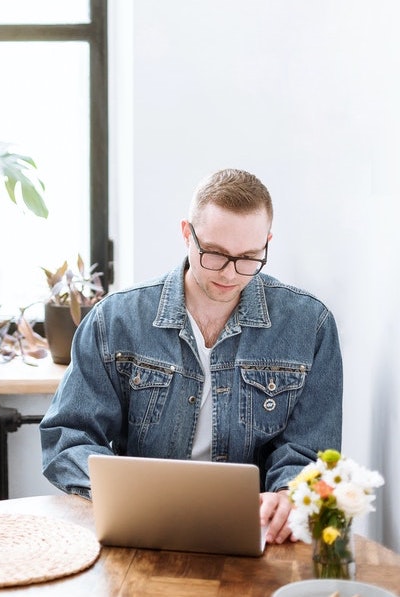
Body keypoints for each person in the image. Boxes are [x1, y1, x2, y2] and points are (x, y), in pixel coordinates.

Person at [39, 168, 343, 545]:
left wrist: (287, 496)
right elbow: (68, 435)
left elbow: (309, 450)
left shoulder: (309, 325)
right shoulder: (116, 320)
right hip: (140, 527)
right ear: (187, 234)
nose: (230, 274)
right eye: (215, 254)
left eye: (249, 257)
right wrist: (119, 493)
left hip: (254, 533)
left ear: (267, 242)